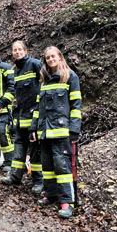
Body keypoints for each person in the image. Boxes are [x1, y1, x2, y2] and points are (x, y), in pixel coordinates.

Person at [30, 45, 82, 219]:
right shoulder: (44, 80)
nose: (51, 60)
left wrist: (74, 129)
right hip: (44, 131)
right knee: (47, 165)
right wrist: (34, 128)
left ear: (60, 57)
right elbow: (39, 107)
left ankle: (67, 202)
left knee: (63, 166)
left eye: (53, 56)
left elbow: (76, 105)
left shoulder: (70, 77)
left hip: (61, 131)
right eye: (48, 57)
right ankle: (50, 194)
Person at [1, 40, 43, 194]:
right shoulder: (16, 70)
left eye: (20, 49)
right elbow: (17, 95)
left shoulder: (35, 64)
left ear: (25, 51)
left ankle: (38, 181)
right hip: (21, 116)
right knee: (18, 148)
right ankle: (15, 176)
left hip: (34, 116)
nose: (17, 52)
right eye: (15, 50)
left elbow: (44, 85)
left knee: (35, 150)